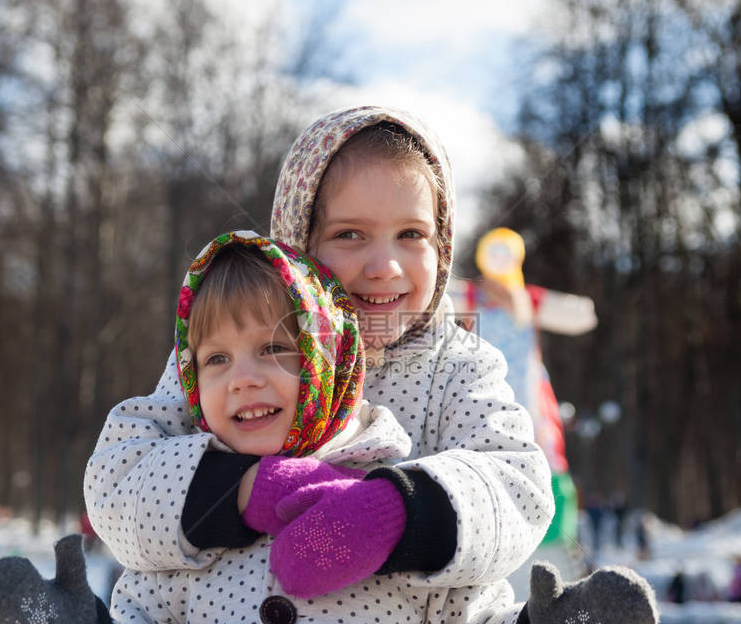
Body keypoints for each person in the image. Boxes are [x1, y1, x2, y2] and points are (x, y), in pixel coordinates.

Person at [0, 232, 658, 624]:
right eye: (216, 358)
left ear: (330, 353)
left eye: (275, 349)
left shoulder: (399, 515)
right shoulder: (181, 544)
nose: (242, 377)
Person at [83, 107, 561, 588]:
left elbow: (518, 485)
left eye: (411, 235)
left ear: (442, 244)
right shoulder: (229, 350)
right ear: (298, 241)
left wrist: (395, 513)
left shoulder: (458, 366)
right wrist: (246, 491)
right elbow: (118, 479)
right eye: (349, 234)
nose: (385, 266)